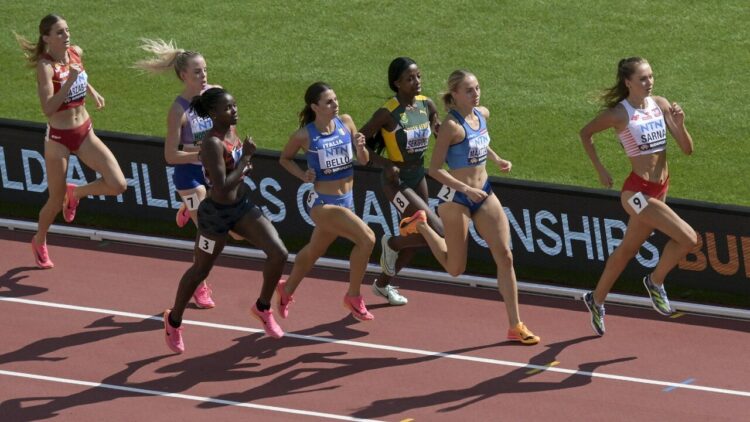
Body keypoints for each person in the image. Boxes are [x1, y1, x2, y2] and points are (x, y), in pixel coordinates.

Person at [411, 70, 540, 345]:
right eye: (469, 90)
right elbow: (434, 170)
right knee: (456, 268)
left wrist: (496, 159)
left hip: (484, 193)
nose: (476, 93)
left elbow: (481, 141)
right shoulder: (451, 127)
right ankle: (422, 224)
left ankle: (515, 324)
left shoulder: (482, 113)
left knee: (505, 255)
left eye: (477, 88)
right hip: (456, 198)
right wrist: (465, 188)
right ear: (454, 95)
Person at [162, 88, 289, 353]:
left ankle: (263, 308)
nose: (234, 111)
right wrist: (246, 160)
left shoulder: (231, 131)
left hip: (241, 208)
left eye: (235, 105)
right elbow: (220, 187)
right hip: (215, 215)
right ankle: (174, 320)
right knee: (201, 270)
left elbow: (235, 173)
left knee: (279, 253)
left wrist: (243, 165)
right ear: (213, 114)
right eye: (228, 108)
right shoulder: (211, 143)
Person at [579, 57, 697, 336]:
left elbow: (687, 149)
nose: (649, 82)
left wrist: (680, 124)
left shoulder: (661, 104)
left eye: (651, 76)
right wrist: (601, 170)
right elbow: (585, 134)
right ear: (628, 82)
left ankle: (595, 300)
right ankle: (655, 282)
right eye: (643, 78)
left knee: (627, 250)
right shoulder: (619, 114)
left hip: (661, 188)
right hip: (636, 193)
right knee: (689, 239)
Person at [15, 14, 126, 269]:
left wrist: (93, 91)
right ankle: (39, 240)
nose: (67, 36)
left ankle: (76, 193)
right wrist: (71, 83)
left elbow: (80, 74)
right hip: (58, 139)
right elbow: (48, 107)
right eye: (60, 33)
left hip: (84, 132)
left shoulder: (75, 52)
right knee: (54, 201)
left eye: (67, 30)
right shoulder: (46, 67)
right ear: (46, 38)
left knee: (118, 183)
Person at [134, 38, 224, 309]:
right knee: (208, 230)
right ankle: (200, 285)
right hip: (189, 176)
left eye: (205, 70)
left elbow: (228, 130)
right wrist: (200, 154)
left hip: (213, 174)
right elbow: (170, 155)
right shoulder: (178, 111)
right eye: (197, 72)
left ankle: (189, 208)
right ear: (184, 75)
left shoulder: (216, 94)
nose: (204, 75)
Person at [278, 82, 376, 321]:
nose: (335, 104)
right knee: (367, 239)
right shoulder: (305, 135)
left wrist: (361, 147)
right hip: (323, 203)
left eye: (335, 99)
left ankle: (286, 289)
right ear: (315, 107)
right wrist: (303, 175)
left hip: (347, 200)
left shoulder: (346, 122)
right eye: (329, 102)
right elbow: (285, 159)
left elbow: (363, 160)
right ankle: (353, 296)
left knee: (315, 250)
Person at [359, 57, 444, 306]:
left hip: (418, 176)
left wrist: (443, 131)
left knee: (418, 238)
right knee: (436, 231)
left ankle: (383, 285)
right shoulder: (388, 111)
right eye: (409, 78)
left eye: (418, 76)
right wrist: (385, 164)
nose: (417, 82)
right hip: (395, 181)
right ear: (396, 83)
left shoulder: (426, 105)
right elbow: (359, 140)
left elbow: (438, 127)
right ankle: (391, 242)